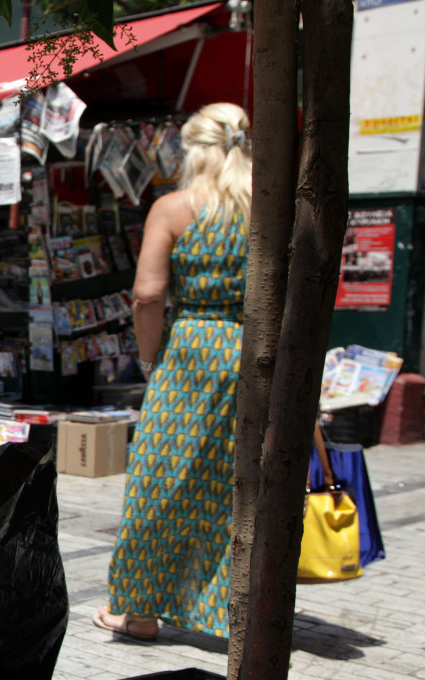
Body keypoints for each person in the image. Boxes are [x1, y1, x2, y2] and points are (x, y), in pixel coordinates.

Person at [94, 102, 252, 641]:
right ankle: (238, 611)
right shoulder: (270, 209)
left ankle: (138, 611)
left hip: (190, 353)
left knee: (157, 481)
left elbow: (147, 294)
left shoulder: (174, 208)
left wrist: (149, 357)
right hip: (251, 351)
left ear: (193, 150)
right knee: (236, 486)